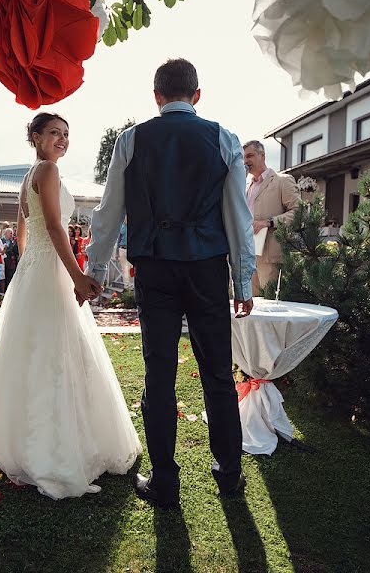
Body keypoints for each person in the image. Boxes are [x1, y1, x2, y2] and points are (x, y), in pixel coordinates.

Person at [0, 112, 141, 499]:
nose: (62, 139)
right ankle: (53, 445)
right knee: (56, 351)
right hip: (51, 270)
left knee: (37, 352)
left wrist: (30, 266)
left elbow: (26, 232)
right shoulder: (48, 171)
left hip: (37, 270)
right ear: (36, 136)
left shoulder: (30, 176)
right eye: (55, 133)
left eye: (66, 134)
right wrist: (76, 276)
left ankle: (24, 437)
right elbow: (57, 228)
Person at [86, 58, 256, 508]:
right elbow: (239, 216)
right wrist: (242, 281)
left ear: (157, 96)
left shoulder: (131, 139)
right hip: (206, 266)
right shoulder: (224, 138)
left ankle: (165, 480)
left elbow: (109, 213)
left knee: (159, 373)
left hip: (156, 268)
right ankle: (229, 471)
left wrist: (96, 270)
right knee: (218, 372)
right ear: (197, 96)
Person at [243, 140, 301, 296]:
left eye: (250, 156)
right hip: (247, 255)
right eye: (243, 158)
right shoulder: (246, 185)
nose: (246, 161)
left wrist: (268, 222)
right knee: (249, 307)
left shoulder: (283, 180)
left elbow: (298, 212)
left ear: (262, 155)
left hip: (270, 256)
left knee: (269, 305)